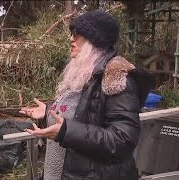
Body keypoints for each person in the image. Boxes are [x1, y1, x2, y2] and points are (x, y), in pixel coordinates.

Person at [19, 10, 155, 180]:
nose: (71, 39)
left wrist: (66, 132)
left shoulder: (117, 78)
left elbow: (122, 140)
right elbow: (83, 111)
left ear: (94, 40)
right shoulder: (85, 71)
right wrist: (48, 111)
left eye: (76, 35)